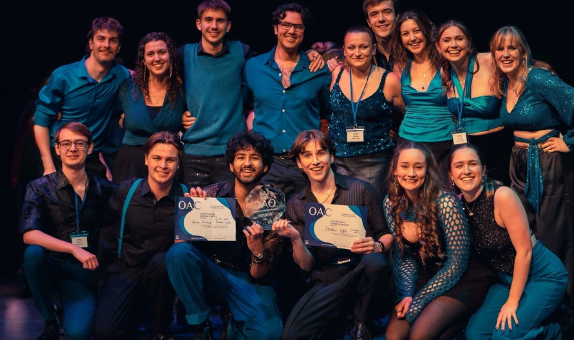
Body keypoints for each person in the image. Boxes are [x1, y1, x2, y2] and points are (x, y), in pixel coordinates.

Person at [491, 25, 574, 335]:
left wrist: (570, 141)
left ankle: (570, 321)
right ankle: (540, 312)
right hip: (518, 163)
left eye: (512, 48)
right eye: (500, 49)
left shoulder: (537, 77)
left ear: (524, 51)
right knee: (526, 239)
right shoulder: (504, 84)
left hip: (548, 162)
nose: (506, 54)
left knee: (556, 240)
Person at [179, 0, 325, 189]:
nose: (214, 26)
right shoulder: (184, 54)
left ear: (228, 25)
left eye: (220, 21)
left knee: (233, 214)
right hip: (199, 155)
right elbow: (164, 79)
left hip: (235, 152)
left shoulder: (242, 53)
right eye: (208, 20)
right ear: (199, 24)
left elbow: (324, 108)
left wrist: (313, 52)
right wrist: (180, 113)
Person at [165, 130, 286, 340]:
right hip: (213, 273)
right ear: (231, 165)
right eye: (240, 157)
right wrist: (190, 216)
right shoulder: (211, 194)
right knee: (179, 252)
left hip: (250, 279)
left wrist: (258, 251)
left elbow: (262, 274)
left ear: (265, 166)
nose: (247, 163)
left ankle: (231, 323)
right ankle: (201, 325)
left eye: (254, 157)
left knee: (270, 335)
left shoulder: (274, 203)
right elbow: (180, 244)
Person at [274, 130, 394, 340]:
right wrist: (294, 238)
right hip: (327, 278)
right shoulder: (296, 204)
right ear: (299, 163)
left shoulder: (360, 189)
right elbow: (306, 265)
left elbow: (386, 234)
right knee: (292, 335)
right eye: (307, 155)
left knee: (377, 262)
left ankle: (362, 324)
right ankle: (341, 317)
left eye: (321, 153)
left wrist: (378, 246)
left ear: (331, 156)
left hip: (361, 268)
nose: (315, 161)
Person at [449, 144, 569, 340]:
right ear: (451, 174)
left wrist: (513, 302)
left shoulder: (501, 196)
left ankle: (555, 329)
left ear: (483, 170)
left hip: (541, 275)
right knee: (476, 334)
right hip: (505, 280)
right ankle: (541, 320)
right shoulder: (456, 206)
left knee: (503, 337)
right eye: (459, 165)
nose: (467, 170)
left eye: (473, 164)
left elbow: (525, 252)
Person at [383, 141, 495, 340]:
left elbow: (457, 264)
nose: (411, 173)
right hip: (426, 275)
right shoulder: (390, 203)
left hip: (463, 277)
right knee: (394, 336)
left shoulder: (446, 202)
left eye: (418, 167)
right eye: (405, 166)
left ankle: (465, 316)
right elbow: (405, 256)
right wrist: (409, 294)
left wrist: (418, 302)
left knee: (420, 335)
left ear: (428, 171)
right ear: (395, 170)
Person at [21, 122, 117, 340]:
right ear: (57, 149)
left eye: (79, 143)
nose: (72, 149)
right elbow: (29, 234)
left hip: (84, 271)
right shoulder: (39, 187)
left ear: (90, 148)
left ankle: (71, 309)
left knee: (78, 335)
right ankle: (50, 322)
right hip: (53, 264)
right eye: (66, 144)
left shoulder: (105, 189)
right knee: (33, 254)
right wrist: (73, 249)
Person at [96, 131, 187, 340]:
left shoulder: (186, 196)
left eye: (170, 160)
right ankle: (134, 314)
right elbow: (105, 225)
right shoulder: (127, 191)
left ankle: (161, 330)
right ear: (146, 159)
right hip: (126, 267)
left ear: (178, 163)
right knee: (105, 333)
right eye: (157, 158)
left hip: (161, 272)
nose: (163, 165)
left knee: (164, 262)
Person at [244, 2, 332, 197]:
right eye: (285, 25)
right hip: (266, 163)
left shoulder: (318, 69)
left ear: (303, 31)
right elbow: (240, 105)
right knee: (264, 224)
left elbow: (326, 111)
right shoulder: (253, 67)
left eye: (298, 26)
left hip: (305, 164)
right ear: (276, 28)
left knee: (304, 223)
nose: (291, 31)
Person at [34, 17, 130, 179]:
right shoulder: (63, 76)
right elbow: (40, 122)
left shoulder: (121, 75)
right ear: (91, 44)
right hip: (59, 157)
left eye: (112, 40)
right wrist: (48, 165)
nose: (106, 45)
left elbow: (139, 76)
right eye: (101, 39)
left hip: (91, 158)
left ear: (118, 47)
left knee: (104, 201)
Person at [327, 25, 403, 194]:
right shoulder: (336, 74)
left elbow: (405, 114)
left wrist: (394, 133)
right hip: (339, 160)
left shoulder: (389, 79)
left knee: (371, 213)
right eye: (352, 48)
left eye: (364, 47)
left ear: (373, 49)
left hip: (375, 161)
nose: (357, 53)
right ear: (344, 51)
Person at [437, 20, 513, 185]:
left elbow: (521, 64)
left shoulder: (490, 61)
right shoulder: (445, 71)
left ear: (469, 42)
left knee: (498, 196)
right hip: (465, 147)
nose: (454, 44)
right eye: (447, 40)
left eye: (459, 38)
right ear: (438, 46)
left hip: (496, 147)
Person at [113, 33, 186, 183]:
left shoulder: (181, 90)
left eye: (162, 52)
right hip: (130, 163)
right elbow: (112, 114)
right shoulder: (128, 88)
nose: (157, 58)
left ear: (170, 55)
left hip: (166, 163)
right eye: (150, 54)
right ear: (144, 60)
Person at [393, 11, 456, 178]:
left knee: (443, 198)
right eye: (405, 34)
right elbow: (400, 105)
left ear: (427, 30)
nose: (412, 38)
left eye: (417, 30)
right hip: (408, 142)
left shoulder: (445, 62)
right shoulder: (400, 67)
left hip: (444, 143)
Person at [362, 0, 400, 71]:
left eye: (387, 12)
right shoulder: (364, 57)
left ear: (397, 17)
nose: (381, 19)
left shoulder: (411, 51)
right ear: (369, 22)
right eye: (374, 15)